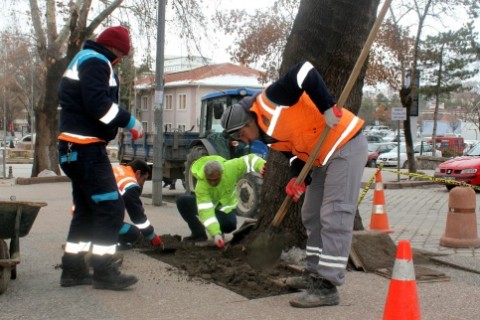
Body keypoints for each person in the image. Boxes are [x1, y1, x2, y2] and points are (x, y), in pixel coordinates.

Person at [221, 61, 367, 308]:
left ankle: (326, 286)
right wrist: (297, 177)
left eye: (239, 134)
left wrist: (327, 106)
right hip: (319, 158)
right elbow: (292, 153)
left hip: (345, 144)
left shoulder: (270, 101)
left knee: (335, 214)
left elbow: (304, 71)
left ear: (248, 122)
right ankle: (313, 274)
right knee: (311, 214)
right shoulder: (266, 134)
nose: (242, 141)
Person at [57, 26, 144, 291]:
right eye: (122, 55)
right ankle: (103, 270)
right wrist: (130, 121)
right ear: (116, 50)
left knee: (86, 210)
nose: (122, 61)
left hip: (73, 148)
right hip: (85, 148)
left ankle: (72, 269)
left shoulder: (85, 59)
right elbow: (98, 105)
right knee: (111, 208)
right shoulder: (96, 61)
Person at [176, 154, 266, 248]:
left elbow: (249, 160)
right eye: (210, 180)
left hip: (224, 207)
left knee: (229, 225)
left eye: (215, 179)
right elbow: (206, 212)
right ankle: (198, 233)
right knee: (182, 201)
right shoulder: (201, 186)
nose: (213, 183)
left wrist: (262, 166)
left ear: (222, 173)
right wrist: (216, 234)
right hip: (210, 206)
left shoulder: (230, 168)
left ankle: (221, 229)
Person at [113, 160, 163, 249]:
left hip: (84, 214)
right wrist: (152, 236)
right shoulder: (129, 184)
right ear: (138, 173)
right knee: (133, 233)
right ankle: (109, 244)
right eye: (143, 179)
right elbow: (138, 217)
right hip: (97, 220)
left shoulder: (119, 170)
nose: (142, 184)